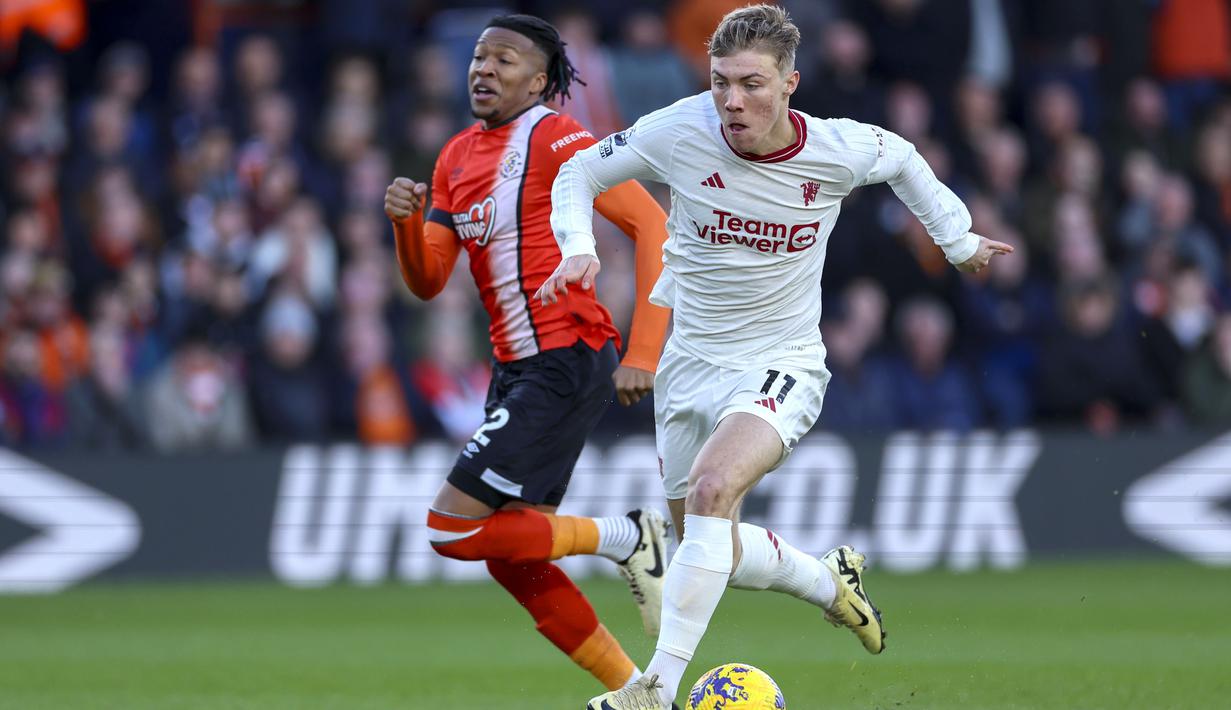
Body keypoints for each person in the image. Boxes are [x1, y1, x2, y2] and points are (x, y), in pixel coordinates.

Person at [538, 6, 1014, 708]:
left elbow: (906, 160)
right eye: (721, 82)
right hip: (687, 366)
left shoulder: (836, 148)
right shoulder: (680, 129)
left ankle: (654, 689)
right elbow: (577, 172)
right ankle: (830, 583)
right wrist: (578, 246)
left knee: (708, 493)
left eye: (751, 84)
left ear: (790, 83)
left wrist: (958, 239)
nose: (732, 100)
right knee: (708, 544)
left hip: (781, 361)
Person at [382, 14, 674, 694]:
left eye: (504, 60)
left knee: (450, 531)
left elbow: (651, 224)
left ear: (540, 81)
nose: (483, 69)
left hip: (565, 355)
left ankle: (626, 537)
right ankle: (640, 694)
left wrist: (646, 351)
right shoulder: (454, 157)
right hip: (515, 370)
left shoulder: (558, 136)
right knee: (512, 554)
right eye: (479, 58)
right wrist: (403, 225)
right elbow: (427, 280)